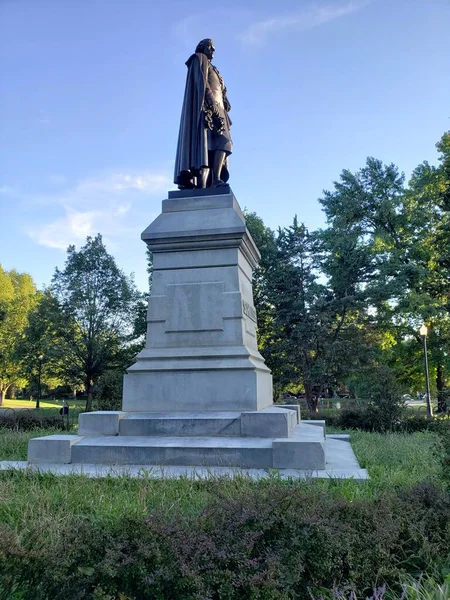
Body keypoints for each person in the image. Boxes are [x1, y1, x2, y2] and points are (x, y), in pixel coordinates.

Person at [174, 39, 232, 189]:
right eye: (210, 47)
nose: (213, 50)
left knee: (218, 145)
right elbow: (202, 83)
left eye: (214, 48)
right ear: (202, 48)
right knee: (213, 145)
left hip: (219, 109)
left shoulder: (215, 69)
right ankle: (213, 181)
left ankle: (213, 180)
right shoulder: (199, 59)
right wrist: (212, 103)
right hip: (206, 108)